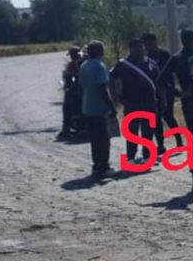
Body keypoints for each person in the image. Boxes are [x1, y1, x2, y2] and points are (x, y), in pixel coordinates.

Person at [159, 29, 193, 194]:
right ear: (186, 42)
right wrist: (179, 93)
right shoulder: (177, 59)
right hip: (191, 104)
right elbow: (162, 80)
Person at [110, 38, 162, 164]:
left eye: (142, 48)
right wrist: (117, 96)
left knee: (148, 130)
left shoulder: (151, 63)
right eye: (136, 48)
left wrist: (161, 98)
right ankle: (131, 157)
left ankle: (147, 156)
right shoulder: (123, 65)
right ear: (131, 50)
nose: (140, 50)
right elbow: (113, 79)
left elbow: (159, 82)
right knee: (132, 131)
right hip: (131, 101)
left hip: (149, 102)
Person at [79, 41, 117, 179]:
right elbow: (103, 89)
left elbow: (82, 84)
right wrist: (112, 106)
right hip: (100, 109)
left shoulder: (84, 66)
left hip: (88, 107)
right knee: (104, 139)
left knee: (94, 139)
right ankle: (104, 166)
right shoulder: (100, 66)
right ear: (100, 51)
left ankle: (96, 166)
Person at [142, 32, 183, 151]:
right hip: (154, 90)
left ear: (154, 42)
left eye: (149, 43)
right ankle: (160, 144)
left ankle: (178, 138)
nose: (147, 46)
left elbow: (169, 71)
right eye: (146, 44)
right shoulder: (146, 58)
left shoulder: (164, 54)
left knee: (168, 115)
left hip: (167, 89)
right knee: (156, 119)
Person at [57, 46, 83, 139]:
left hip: (80, 89)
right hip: (82, 88)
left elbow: (71, 78)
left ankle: (66, 127)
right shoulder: (81, 62)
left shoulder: (76, 63)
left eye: (73, 55)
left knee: (67, 104)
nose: (72, 56)